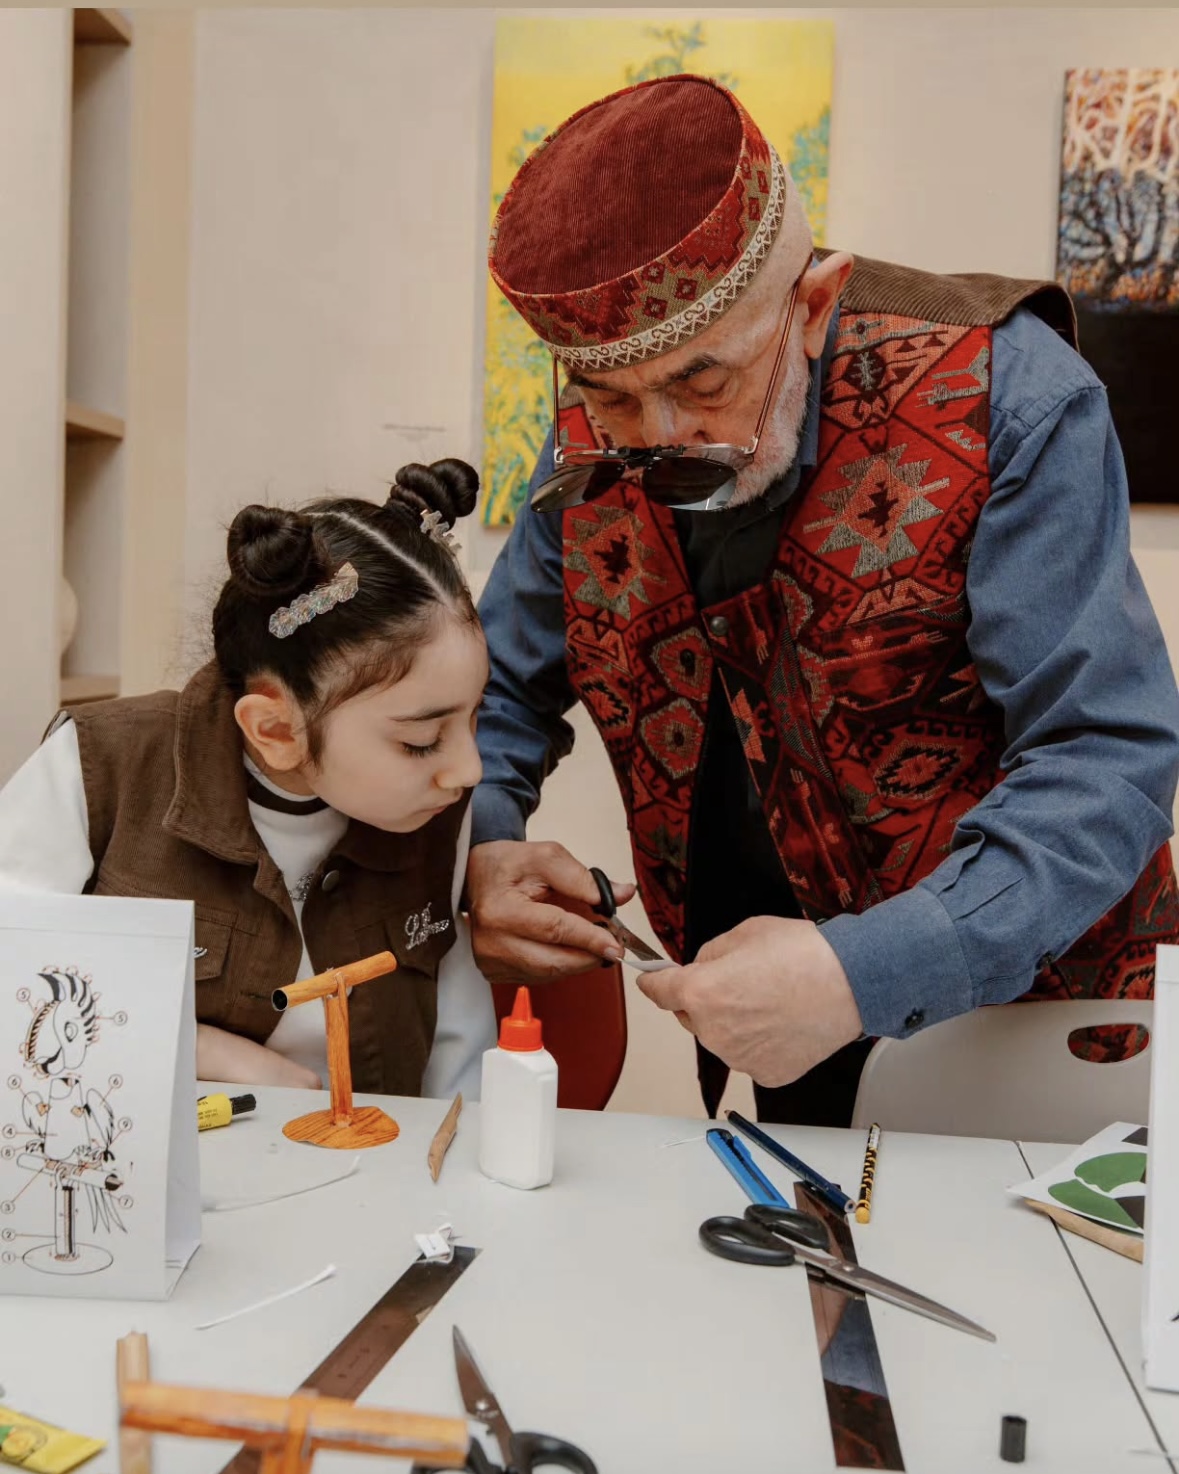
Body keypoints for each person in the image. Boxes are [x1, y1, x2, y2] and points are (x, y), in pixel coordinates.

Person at [467, 75, 1179, 1125]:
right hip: (770, 1013)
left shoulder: (1013, 395)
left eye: (705, 384)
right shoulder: (594, 439)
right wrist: (483, 845)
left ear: (812, 303)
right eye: (611, 397)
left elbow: (1104, 755)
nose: (659, 440)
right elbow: (494, 696)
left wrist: (865, 972)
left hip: (1024, 1022)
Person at [0, 459, 495, 1098]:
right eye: (421, 740)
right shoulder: (101, 767)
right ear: (276, 730)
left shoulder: (435, 805)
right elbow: (13, 984)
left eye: (476, 716)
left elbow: (459, 1047)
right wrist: (197, 1047)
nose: (470, 768)